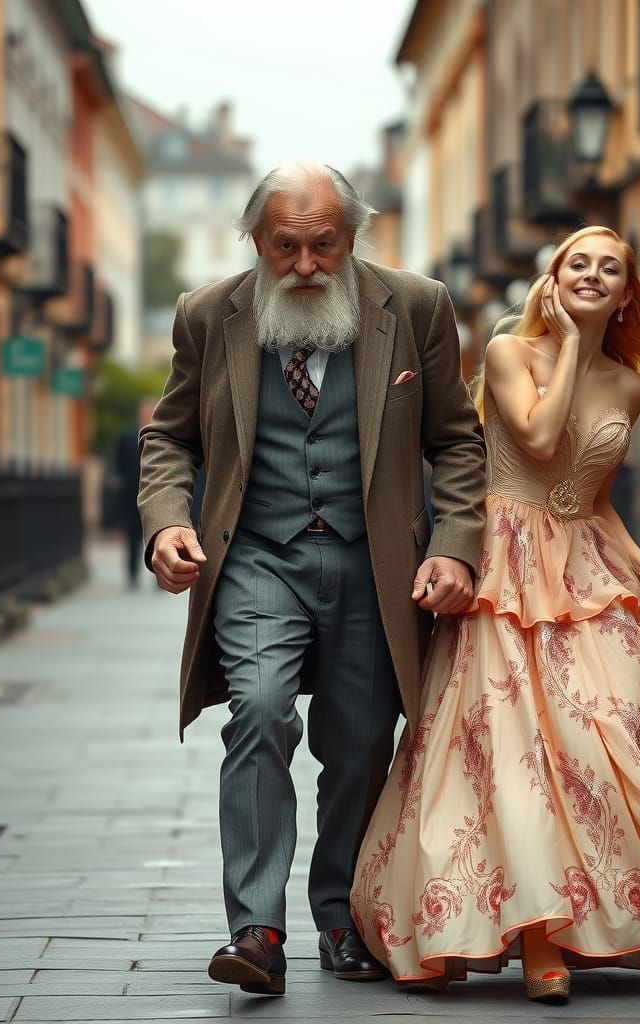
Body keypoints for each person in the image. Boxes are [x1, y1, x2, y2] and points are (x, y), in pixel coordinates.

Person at [351, 226, 640, 1005]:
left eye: (610, 269)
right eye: (577, 264)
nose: (593, 275)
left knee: (628, 726)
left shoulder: (629, 385)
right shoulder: (508, 352)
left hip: (587, 563)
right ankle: (541, 936)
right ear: (553, 280)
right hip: (505, 566)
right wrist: (564, 344)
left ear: (627, 294)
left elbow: (593, 499)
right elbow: (538, 437)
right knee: (521, 752)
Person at [138, 163, 487, 996]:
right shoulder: (206, 314)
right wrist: (167, 521)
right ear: (256, 241)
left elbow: (456, 441)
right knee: (258, 711)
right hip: (257, 557)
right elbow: (170, 437)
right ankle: (257, 930)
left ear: (352, 236)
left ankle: (342, 914)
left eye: (323, 245)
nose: (304, 265)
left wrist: (456, 545)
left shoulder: (419, 306)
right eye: (284, 247)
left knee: (360, 745)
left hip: (376, 565)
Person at [113, 398, 156, 589]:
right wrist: (117, 478)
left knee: (155, 536)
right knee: (132, 537)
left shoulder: (161, 434)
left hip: (154, 493)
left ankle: (159, 575)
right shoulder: (127, 434)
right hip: (132, 494)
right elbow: (117, 460)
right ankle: (132, 575)